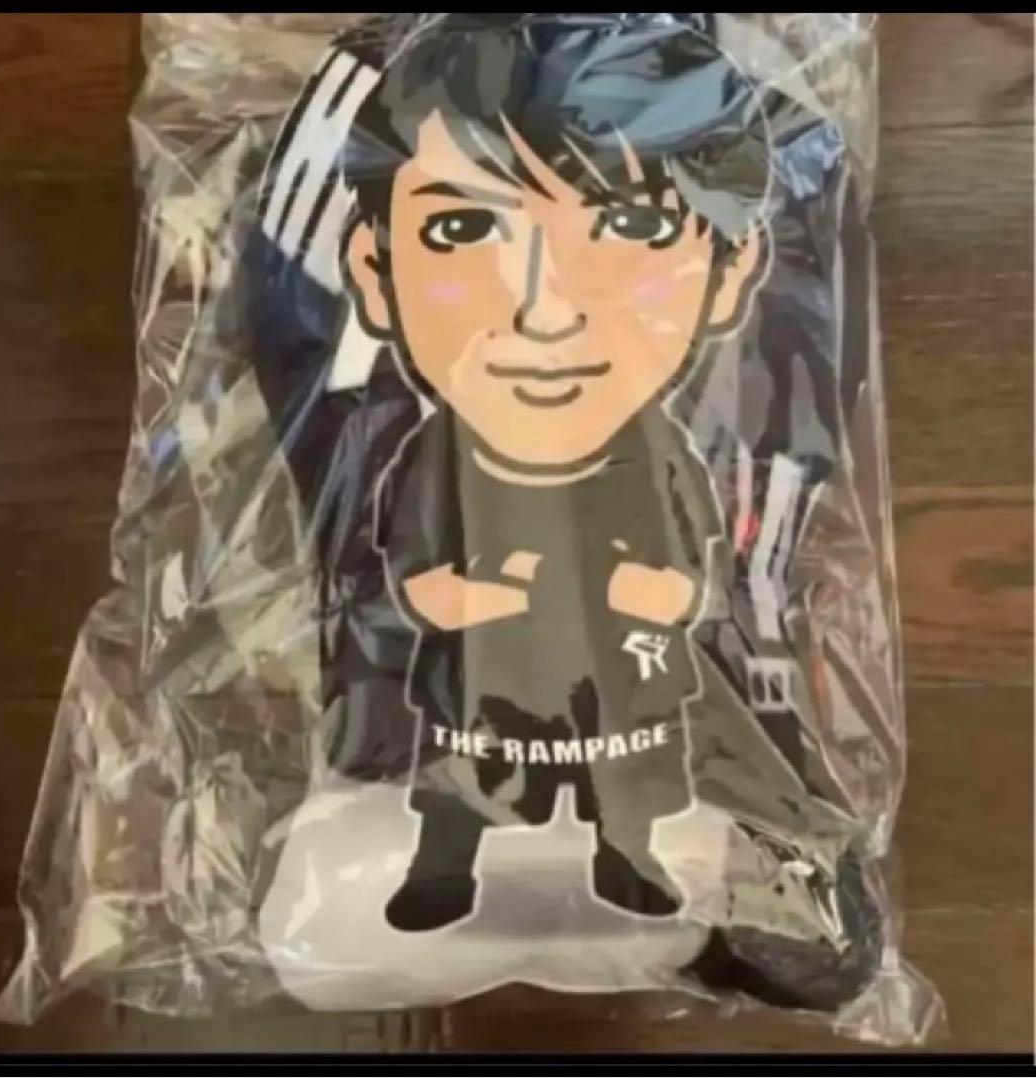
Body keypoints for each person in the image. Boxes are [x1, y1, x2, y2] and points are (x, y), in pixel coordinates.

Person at [255, 13, 883, 1011]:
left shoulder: (665, 452)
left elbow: (737, 514)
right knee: (452, 794)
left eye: (631, 229)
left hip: (641, 707)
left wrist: (686, 619)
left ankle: (635, 843)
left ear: (731, 270)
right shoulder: (427, 452)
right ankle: (449, 853)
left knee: (649, 799)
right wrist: (433, 612)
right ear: (378, 271)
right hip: (454, 717)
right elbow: (372, 518)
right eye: (464, 230)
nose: (545, 312)